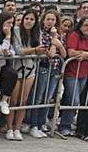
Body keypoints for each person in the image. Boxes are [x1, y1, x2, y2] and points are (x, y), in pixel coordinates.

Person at [57, 16, 88, 138]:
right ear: (80, 25)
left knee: (73, 100)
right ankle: (64, 126)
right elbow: (70, 52)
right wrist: (85, 54)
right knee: (74, 100)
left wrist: (86, 54)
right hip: (71, 72)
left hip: (84, 73)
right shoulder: (74, 35)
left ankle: (66, 123)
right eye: (85, 25)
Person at [27, 9, 66, 137]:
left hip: (55, 69)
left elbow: (64, 54)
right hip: (43, 67)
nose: (50, 22)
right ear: (43, 20)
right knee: (38, 97)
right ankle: (34, 125)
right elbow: (49, 54)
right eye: (48, 19)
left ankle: (41, 123)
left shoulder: (59, 34)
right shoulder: (40, 34)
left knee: (48, 98)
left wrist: (59, 44)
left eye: (53, 20)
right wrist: (55, 41)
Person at [9, 10, 43, 140]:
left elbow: (39, 51)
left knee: (23, 102)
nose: (28, 21)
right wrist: (34, 50)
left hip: (30, 69)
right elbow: (19, 50)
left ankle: (17, 128)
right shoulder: (16, 30)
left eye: (32, 19)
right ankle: (9, 128)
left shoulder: (36, 34)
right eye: (26, 18)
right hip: (16, 69)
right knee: (13, 101)